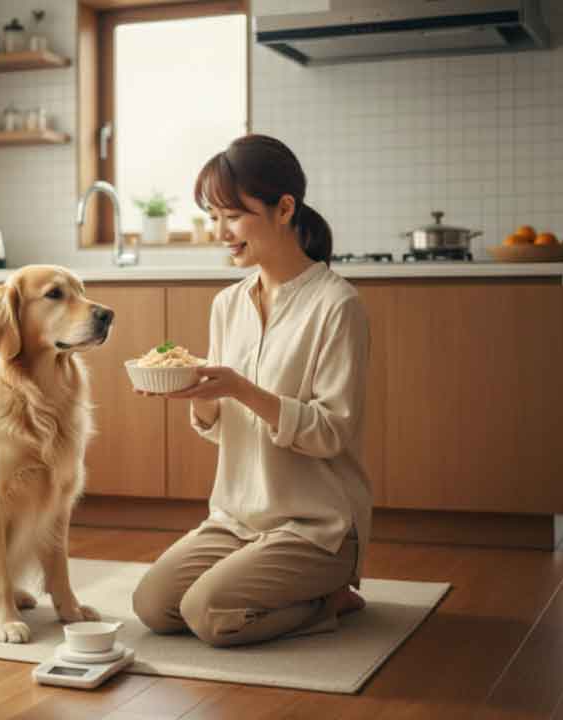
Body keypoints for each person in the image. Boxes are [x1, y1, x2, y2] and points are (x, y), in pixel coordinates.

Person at [131, 134, 372, 648]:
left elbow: (331, 433)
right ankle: (278, 583)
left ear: (284, 208)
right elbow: (229, 434)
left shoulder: (336, 305)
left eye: (232, 216)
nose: (220, 232)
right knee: (153, 606)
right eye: (213, 216)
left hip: (317, 525)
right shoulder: (228, 304)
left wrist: (243, 389)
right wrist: (199, 395)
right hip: (238, 517)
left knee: (209, 615)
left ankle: (331, 595)